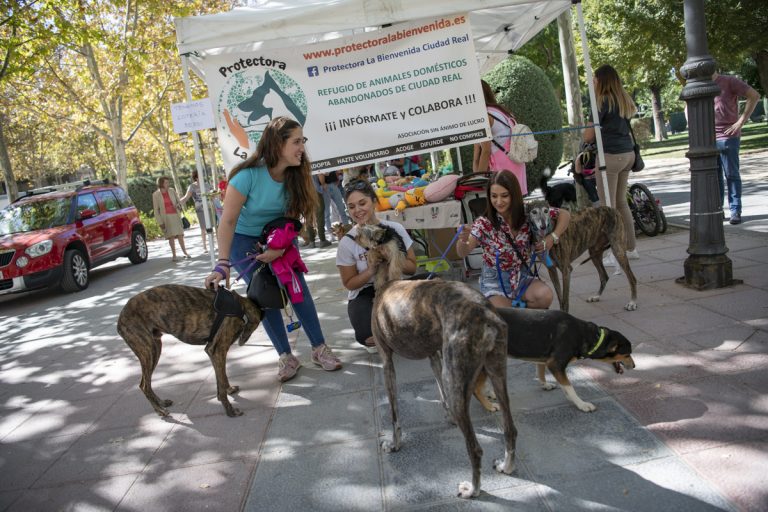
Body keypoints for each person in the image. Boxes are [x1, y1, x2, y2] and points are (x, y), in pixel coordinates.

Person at [204, 116, 342, 382]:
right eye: (296, 142)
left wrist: (279, 249)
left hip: (280, 237)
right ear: (278, 144)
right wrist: (222, 263)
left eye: (302, 141)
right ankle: (285, 356)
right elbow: (228, 222)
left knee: (297, 289)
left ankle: (319, 348)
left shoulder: (297, 175)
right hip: (244, 240)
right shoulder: (246, 177)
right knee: (264, 296)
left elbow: (294, 220)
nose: (302, 147)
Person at [456, 170, 569, 310]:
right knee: (507, 313)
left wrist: (552, 237)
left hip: (521, 277)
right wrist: (462, 239)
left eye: (504, 195)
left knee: (545, 296)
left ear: (514, 195)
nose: (498, 202)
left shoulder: (529, 211)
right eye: (494, 196)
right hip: (495, 282)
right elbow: (463, 252)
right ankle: (517, 313)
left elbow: (564, 214)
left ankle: (519, 312)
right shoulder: (484, 223)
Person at [336, 179, 417, 352]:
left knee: (436, 287)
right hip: (365, 291)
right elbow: (349, 283)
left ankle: (395, 331)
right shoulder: (347, 242)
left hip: (396, 283)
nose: (357, 210)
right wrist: (371, 270)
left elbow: (412, 268)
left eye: (362, 203)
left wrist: (392, 258)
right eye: (351, 207)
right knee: (368, 335)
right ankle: (393, 332)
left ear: (374, 202)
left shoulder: (394, 228)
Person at [582, 64, 639, 263]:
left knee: (608, 208)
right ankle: (630, 248)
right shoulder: (624, 99)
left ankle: (615, 253)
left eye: (595, 78)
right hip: (628, 155)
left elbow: (588, 136)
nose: (592, 81)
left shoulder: (601, 102)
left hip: (610, 157)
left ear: (601, 80)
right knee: (621, 203)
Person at [713, 72, 760, 225]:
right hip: (708, 138)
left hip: (728, 136)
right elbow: (688, 107)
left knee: (731, 174)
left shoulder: (729, 81)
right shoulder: (700, 84)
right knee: (714, 177)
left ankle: (735, 210)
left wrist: (740, 122)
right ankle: (718, 210)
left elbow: (754, 95)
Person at [473, 79, 528, 195]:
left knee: (502, 201)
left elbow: (485, 151)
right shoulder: (502, 111)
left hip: (503, 166)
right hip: (516, 161)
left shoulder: (484, 116)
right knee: (515, 199)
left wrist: (478, 180)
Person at [152, 176, 191, 262]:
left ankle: (185, 252)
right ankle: (174, 255)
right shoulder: (155, 195)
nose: (168, 184)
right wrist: (160, 222)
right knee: (171, 237)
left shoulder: (172, 190)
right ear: (161, 184)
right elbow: (156, 210)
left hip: (176, 215)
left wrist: (178, 205)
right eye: (166, 182)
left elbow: (179, 201)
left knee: (180, 235)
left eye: (168, 182)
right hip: (166, 218)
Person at [179, 170, 210, 253]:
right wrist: (178, 203)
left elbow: (212, 195)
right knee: (203, 228)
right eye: (200, 175)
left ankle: (214, 244)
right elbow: (186, 197)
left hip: (209, 207)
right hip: (200, 208)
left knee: (211, 226)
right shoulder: (192, 186)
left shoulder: (207, 185)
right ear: (196, 177)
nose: (202, 177)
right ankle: (205, 246)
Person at [318, 169, 350, 236]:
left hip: (333, 184)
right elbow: (320, 172)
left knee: (341, 209)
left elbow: (336, 170)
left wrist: (337, 179)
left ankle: (347, 230)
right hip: (325, 186)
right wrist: (323, 184)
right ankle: (331, 234)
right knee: (327, 213)